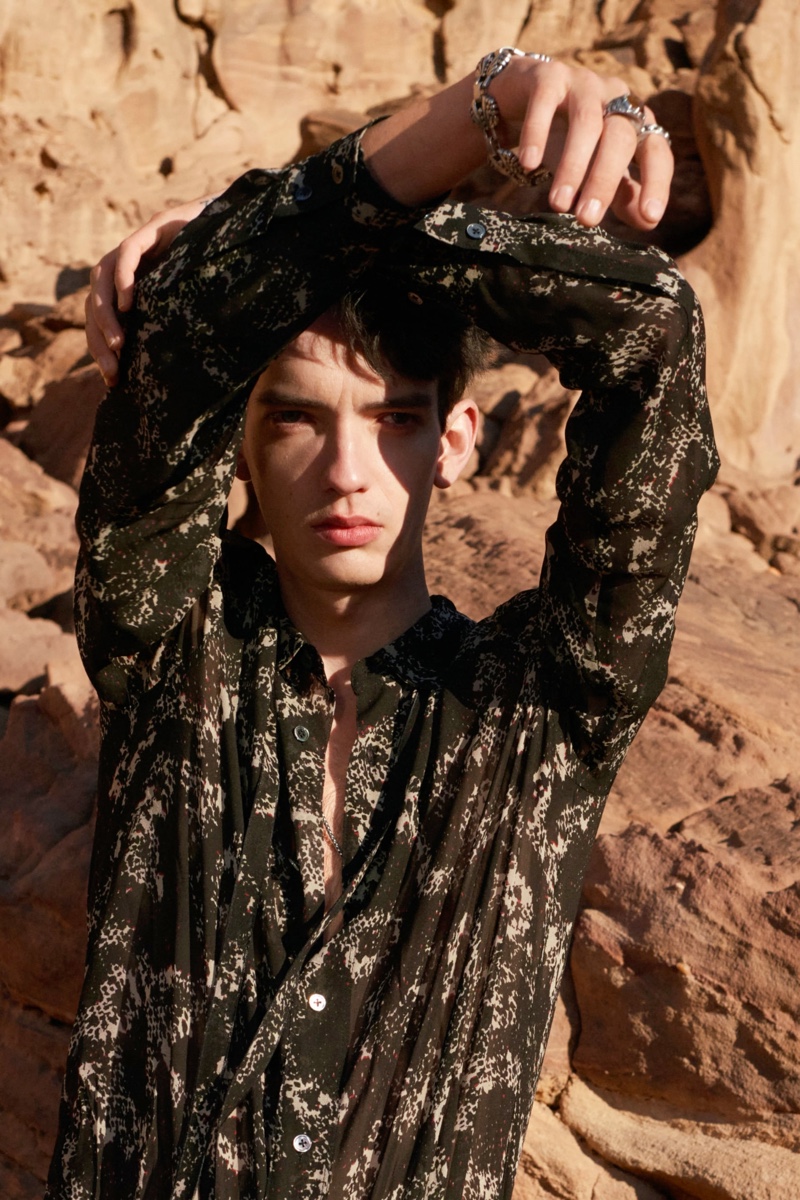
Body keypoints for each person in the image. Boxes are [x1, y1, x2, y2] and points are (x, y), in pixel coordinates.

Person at [47, 50, 718, 1200]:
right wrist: (236, 259)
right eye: (298, 419)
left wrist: (379, 203)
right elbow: (186, 334)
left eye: (394, 418)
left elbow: (650, 336)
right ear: (242, 443)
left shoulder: (541, 713)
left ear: (452, 441)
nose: (347, 472)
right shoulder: (173, 648)